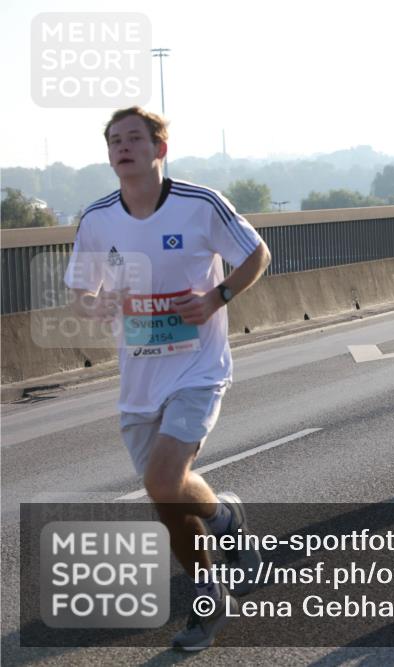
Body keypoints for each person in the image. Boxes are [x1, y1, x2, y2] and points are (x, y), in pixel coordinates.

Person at [64, 107, 271, 651]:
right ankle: (225, 517)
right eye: (113, 140)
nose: (121, 147)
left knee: (161, 481)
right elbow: (79, 295)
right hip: (138, 380)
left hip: (197, 370)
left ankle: (208, 602)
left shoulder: (199, 205)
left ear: (160, 148)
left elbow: (256, 254)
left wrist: (217, 296)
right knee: (168, 493)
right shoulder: (97, 219)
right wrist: (98, 303)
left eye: (134, 138)